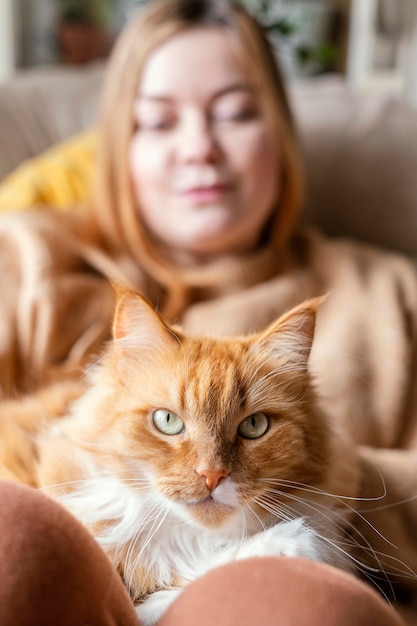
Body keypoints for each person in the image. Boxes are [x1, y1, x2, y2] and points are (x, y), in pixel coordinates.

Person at [0, 0, 416, 623]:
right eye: (160, 122)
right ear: (118, 144)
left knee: (294, 601)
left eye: (235, 114)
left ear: (280, 129)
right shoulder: (28, 255)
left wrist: (311, 497)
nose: (200, 148)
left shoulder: (390, 294)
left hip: (270, 595)